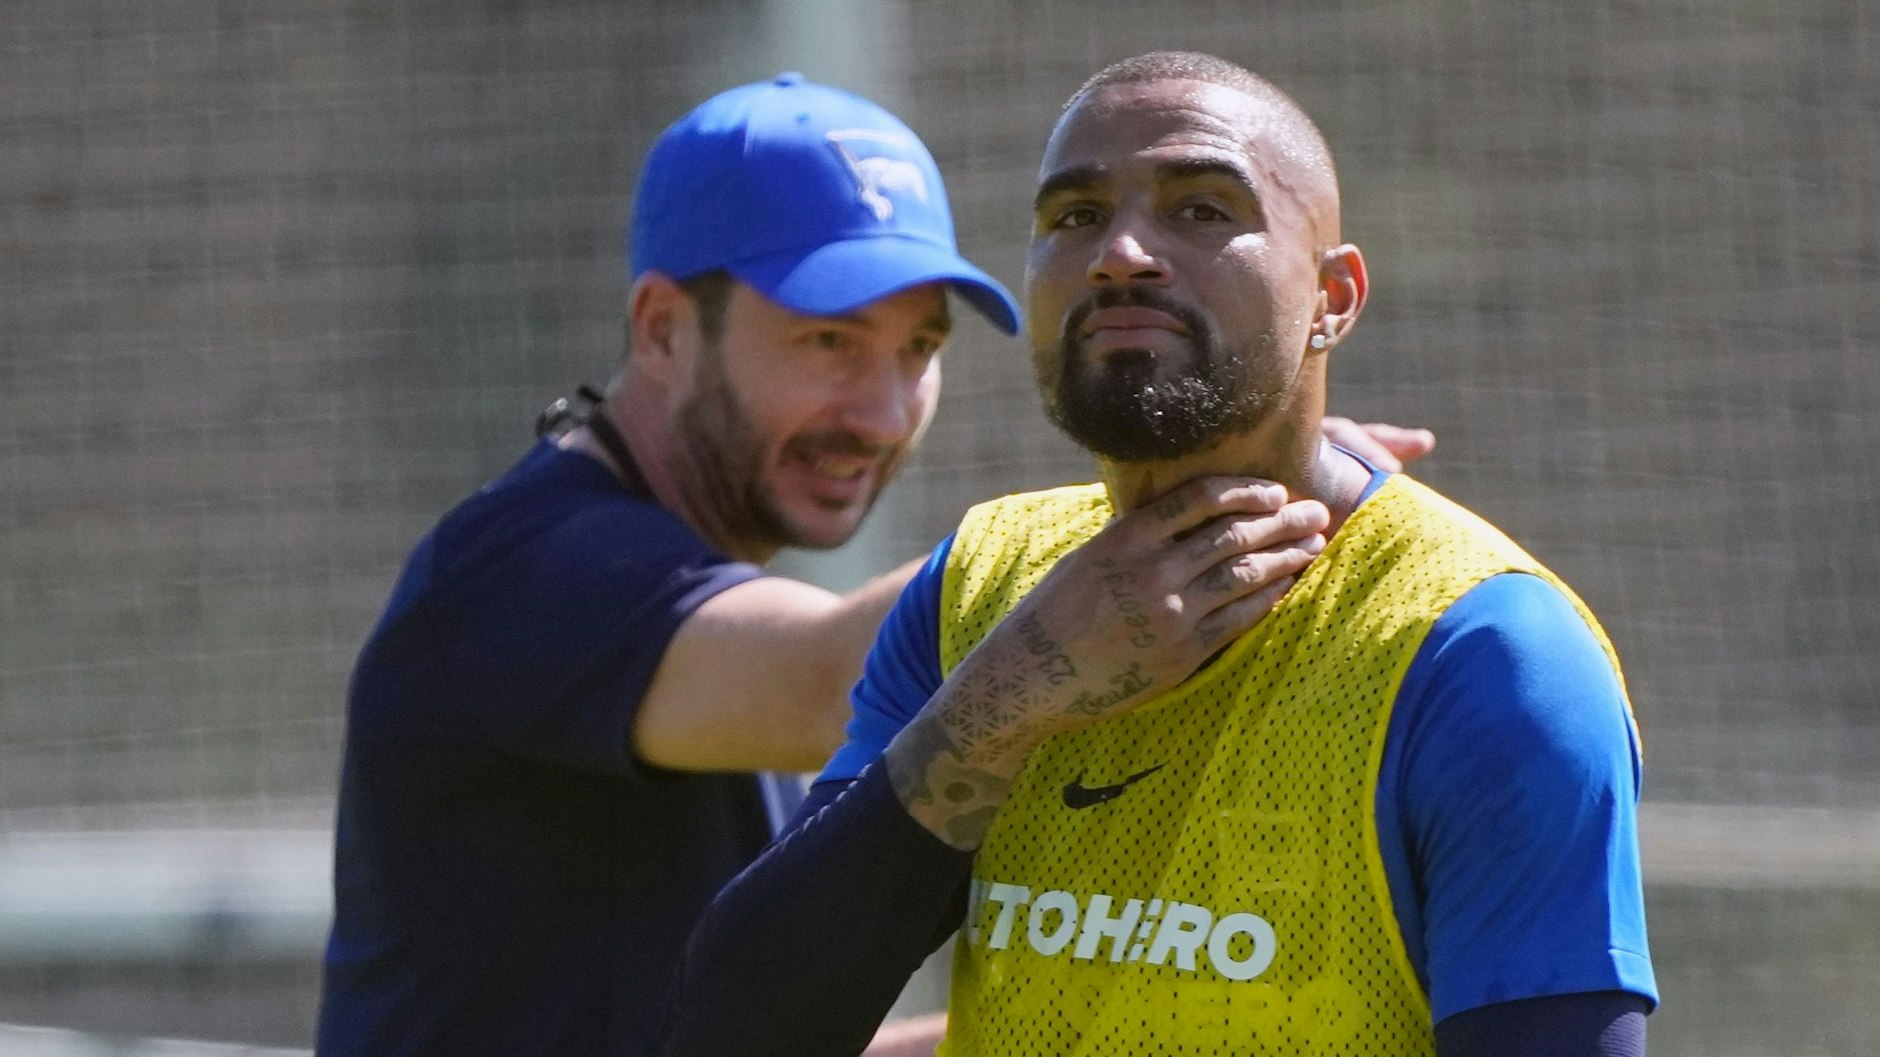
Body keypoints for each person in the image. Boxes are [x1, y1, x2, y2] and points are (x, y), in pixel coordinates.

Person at [314, 71, 1433, 1057]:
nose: (882, 410)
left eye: (919, 349)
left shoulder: (669, 561)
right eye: (828, 341)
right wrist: (1194, 499)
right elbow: (831, 679)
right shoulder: (528, 571)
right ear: (660, 329)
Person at [661, 53, 1656, 1057]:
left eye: (1202, 210)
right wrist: (1013, 692)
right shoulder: (977, 588)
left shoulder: (1487, 655)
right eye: (1073, 217)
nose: (1119, 253)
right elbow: (733, 1027)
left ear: (1333, 297)